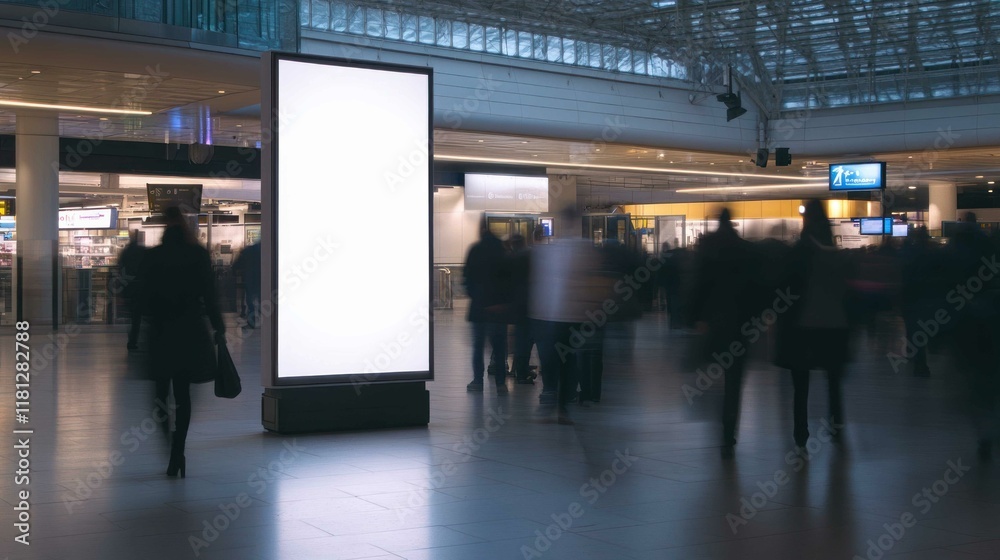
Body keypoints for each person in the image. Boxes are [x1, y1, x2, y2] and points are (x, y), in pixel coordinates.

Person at [142, 206, 225, 477]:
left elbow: (142, 297)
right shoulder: (197, 255)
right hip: (190, 332)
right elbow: (210, 295)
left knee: (159, 396)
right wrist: (219, 327)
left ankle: (170, 446)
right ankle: (179, 451)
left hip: (161, 333)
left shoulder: (153, 257)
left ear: (164, 225)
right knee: (183, 395)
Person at [775, 200, 851, 447]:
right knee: (833, 382)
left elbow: (784, 290)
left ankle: (801, 432)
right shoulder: (836, 254)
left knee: (801, 385)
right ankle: (836, 427)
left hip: (803, 326)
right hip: (835, 325)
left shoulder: (798, 252)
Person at [689, 208, 756, 452]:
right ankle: (729, 433)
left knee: (711, 373)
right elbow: (754, 288)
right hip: (739, 324)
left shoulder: (707, 248)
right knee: (734, 379)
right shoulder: (746, 249)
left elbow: (698, 284)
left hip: (713, 322)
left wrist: (695, 317)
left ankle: (715, 417)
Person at [464, 216, 510, 394]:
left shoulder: (475, 249)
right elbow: (509, 280)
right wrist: (503, 302)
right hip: (498, 309)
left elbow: (467, 278)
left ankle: (477, 381)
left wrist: (476, 297)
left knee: (478, 346)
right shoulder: (502, 250)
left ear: (481, 229)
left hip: (479, 308)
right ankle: (500, 383)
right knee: (499, 348)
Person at [118, 230, 146, 350]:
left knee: (131, 316)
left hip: (128, 288)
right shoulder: (142, 251)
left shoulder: (125, 252)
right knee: (138, 317)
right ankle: (135, 340)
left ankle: (132, 340)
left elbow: (120, 270)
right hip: (140, 288)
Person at [234, 240, 261, 328]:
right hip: (261, 279)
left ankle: (252, 321)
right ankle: (263, 319)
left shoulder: (247, 251)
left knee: (250, 300)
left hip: (249, 279)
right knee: (261, 300)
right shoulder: (264, 250)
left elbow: (237, 265)